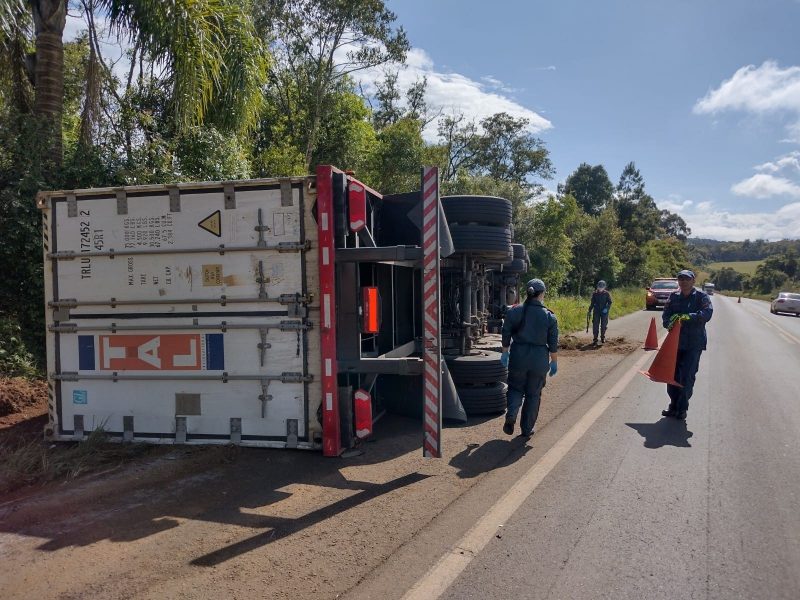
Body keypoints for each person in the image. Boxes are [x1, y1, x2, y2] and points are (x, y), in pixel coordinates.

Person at [499, 278, 559, 438]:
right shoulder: (549, 316)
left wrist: (505, 352)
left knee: (515, 387)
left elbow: (506, 333)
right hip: (539, 359)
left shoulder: (514, 311)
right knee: (533, 394)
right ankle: (526, 430)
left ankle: (511, 413)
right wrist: (554, 362)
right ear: (542, 294)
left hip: (519, 356)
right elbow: (553, 344)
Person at [661, 269, 713, 420]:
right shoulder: (674, 296)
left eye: (686, 279)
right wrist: (668, 323)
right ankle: (673, 405)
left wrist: (689, 317)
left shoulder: (701, 297)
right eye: (681, 279)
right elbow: (666, 314)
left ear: (693, 281)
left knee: (687, 377)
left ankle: (682, 408)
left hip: (694, 344)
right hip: (675, 343)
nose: (683, 281)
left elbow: (707, 313)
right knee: (672, 376)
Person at [587, 280, 613, 344]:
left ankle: (602, 338)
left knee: (603, 325)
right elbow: (592, 303)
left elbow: (610, 302)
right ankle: (595, 339)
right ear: (597, 287)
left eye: (602, 287)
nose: (600, 288)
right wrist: (589, 310)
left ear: (604, 287)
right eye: (599, 287)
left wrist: (607, 308)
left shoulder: (607, 293)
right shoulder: (595, 294)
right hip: (596, 311)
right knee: (595, 325)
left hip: (604, 312)